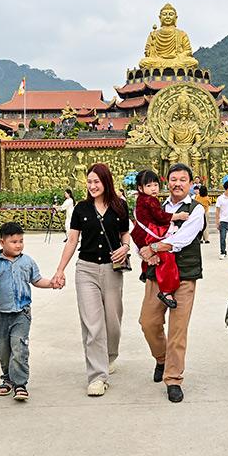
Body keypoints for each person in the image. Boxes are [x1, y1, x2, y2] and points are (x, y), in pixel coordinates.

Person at [51, 164, 133, 397]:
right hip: (85, 270)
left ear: (106, 181)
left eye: (97, 181)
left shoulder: (120, 206)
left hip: (112, 270)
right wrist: (60, 270)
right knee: (93, 324)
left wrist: (125, 247)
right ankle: (97, 377)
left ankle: (110, 356)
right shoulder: (81, 208)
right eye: (89, 182)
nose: (92, 186)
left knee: (112, 321)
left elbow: (124, 233)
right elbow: (71, 240)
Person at [136, 163, 206, 403]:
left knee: (178, 330)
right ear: (167, 182)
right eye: (173, 179)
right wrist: (142, 250)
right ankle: (162, 359)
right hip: (157, 274)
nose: (177, 183)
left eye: (182, 179)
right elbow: (140, 230)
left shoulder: (196, 210)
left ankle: (173, 378)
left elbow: (182, 239)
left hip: (185, 275)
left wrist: (153, 247)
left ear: (190, 183)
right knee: (148, 322)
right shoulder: (156, 207)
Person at [0, 222, 56, 402]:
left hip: (21, 313)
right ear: (2, 242)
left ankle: (20, 383)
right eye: (13, 242)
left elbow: (36, 280)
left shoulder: (27, 261)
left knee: (19, 348)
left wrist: (51, 283)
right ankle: (7, 378)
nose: (18, 245)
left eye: (21, 241)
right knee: (3, 349)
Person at [131, 170, 189, 309]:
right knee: (167, 257)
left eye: (155, 185)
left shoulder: (141, 199)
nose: (154, 189)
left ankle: (145, 272)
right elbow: (160, 216)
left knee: (150, 256)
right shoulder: (150, 200)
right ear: (140, 188)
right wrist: (178, 216)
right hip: (149, 234)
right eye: (149, 186)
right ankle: (166, 291)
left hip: (141, 234)